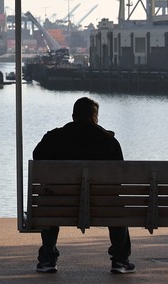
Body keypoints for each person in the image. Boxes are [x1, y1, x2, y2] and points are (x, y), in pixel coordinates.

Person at [32, 96, 135, 274]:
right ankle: (120, 260)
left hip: (59, 206)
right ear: (95, 117)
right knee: (115, 203)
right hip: (101, 206)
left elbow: (37, 157)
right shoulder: (109, 142)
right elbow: (119, 176)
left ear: (73, 116)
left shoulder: (53, 138)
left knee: (49, 200)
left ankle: (48, 258)